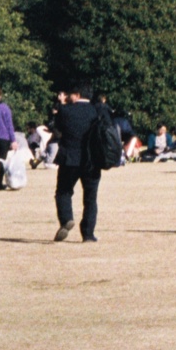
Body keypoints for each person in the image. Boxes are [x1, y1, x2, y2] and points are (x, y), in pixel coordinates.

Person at [50, 86, 112, 242]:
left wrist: (62, 106)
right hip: (92, 161)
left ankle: (66, 219)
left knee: (63, 192)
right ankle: (88, 234)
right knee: (90, 199)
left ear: (77, 95)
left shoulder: (65, 111)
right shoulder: (96, 110)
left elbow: (57, 131)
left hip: (70, 159)